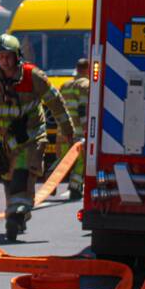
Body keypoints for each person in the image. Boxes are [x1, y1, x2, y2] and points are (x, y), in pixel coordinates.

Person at [0, 34, 74, 241]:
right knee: (7, 179)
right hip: (4, 141)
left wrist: (67, 129)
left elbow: (55, 102)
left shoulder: (33, 77)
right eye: (1, 56)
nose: (5, 61)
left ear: (17, 57)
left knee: (23, 173)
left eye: (9, 56)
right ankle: (18, 213)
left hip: (31, 137)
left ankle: (15, 214)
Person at [58, 58, 90, 200]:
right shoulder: (85, 85)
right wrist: (86, 131)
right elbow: (83, 110)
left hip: (63, 132)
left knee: (64, 162)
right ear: (87, 69)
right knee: (80, 162)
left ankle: (53, 185)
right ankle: (75, 188)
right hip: (78, 133)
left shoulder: (65, 85)